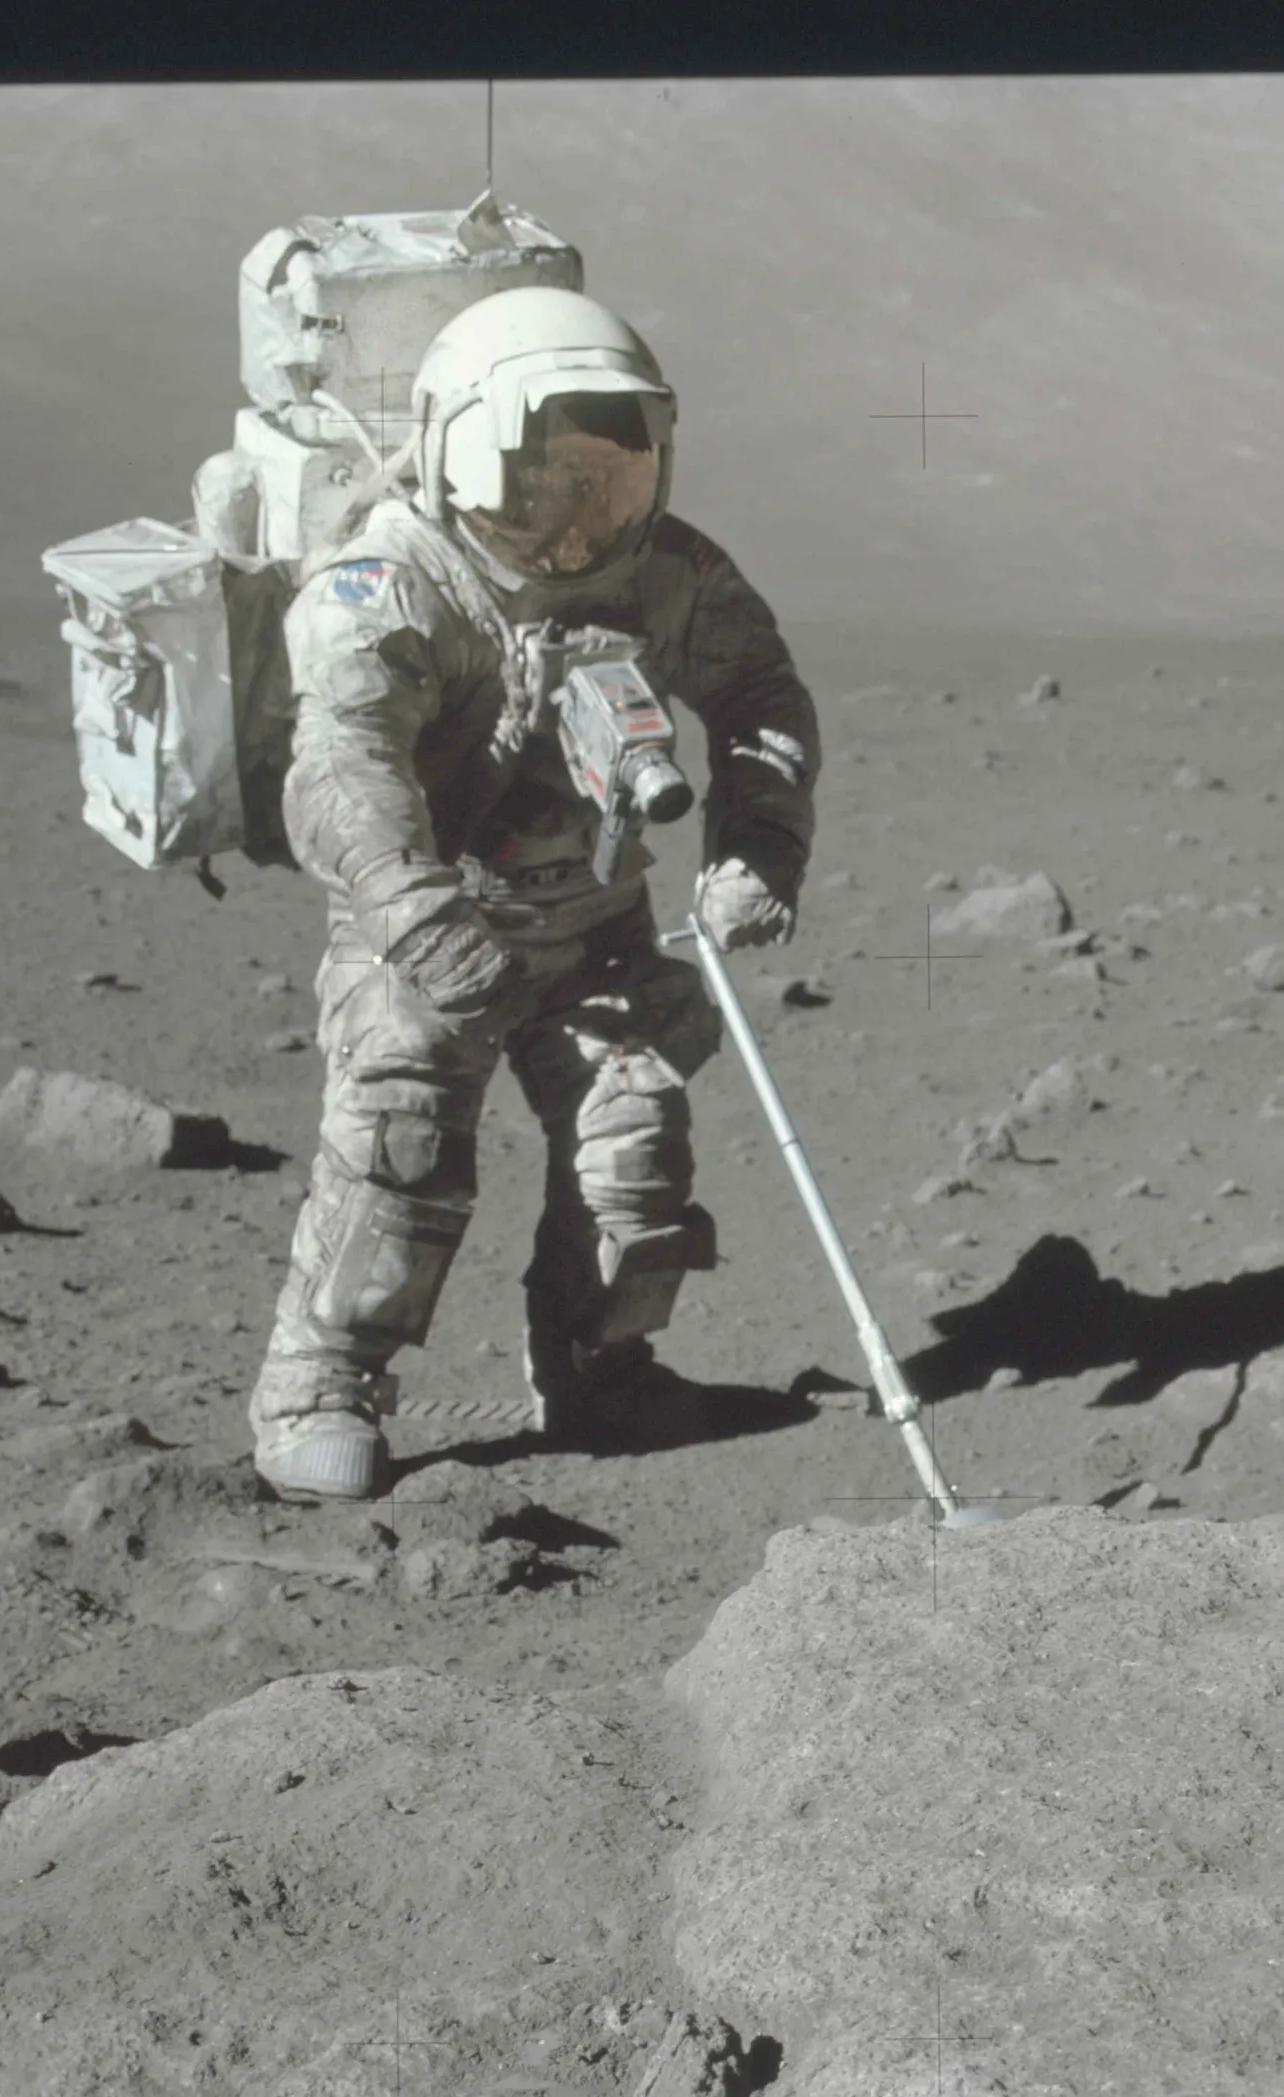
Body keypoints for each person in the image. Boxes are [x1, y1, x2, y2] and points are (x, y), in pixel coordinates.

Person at [247, 283, 818, 1503]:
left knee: (634, 1141)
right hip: (426, 931)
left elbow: (762, 700)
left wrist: (758, 850)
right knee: (400, 1149)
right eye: (537, 482)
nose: (572, 520)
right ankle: (319, 1387)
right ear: (460, 453)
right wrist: (420, 917)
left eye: (603, 482)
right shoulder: (389, 582)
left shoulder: (667, 575)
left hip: (592, 925)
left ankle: (600, 1366)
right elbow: (345, 768)